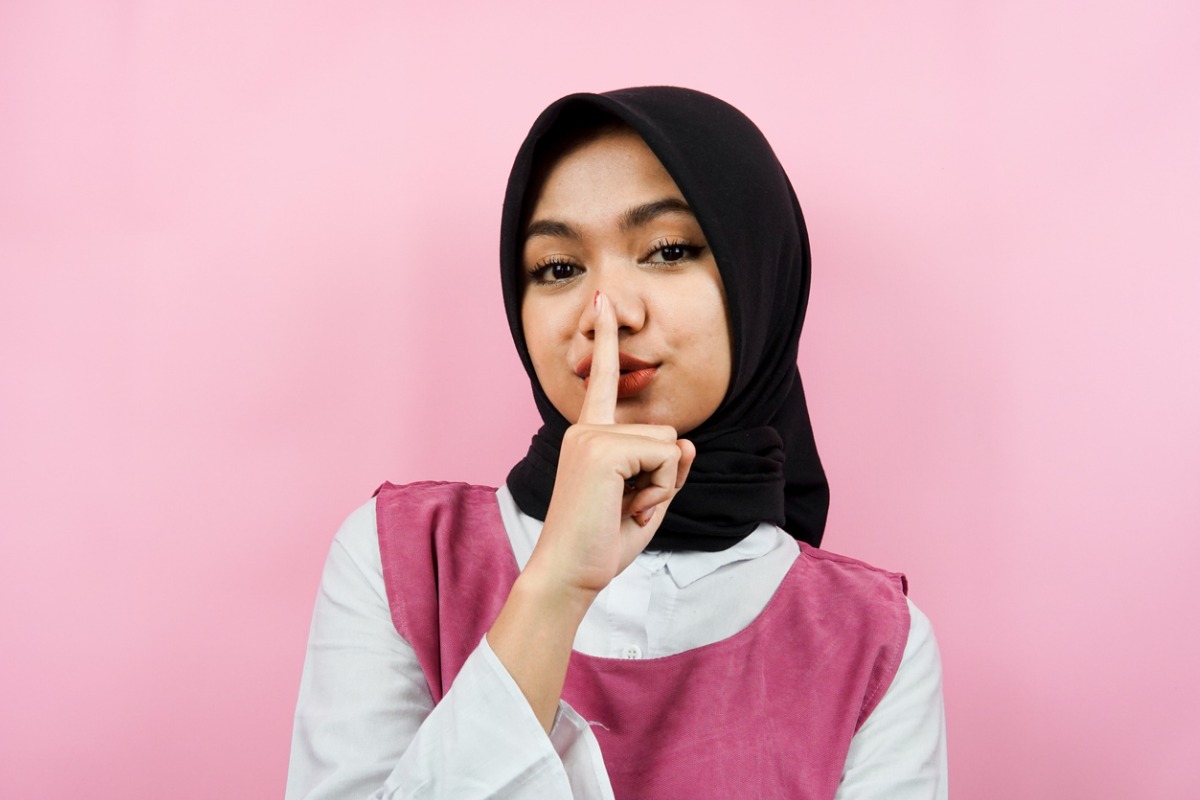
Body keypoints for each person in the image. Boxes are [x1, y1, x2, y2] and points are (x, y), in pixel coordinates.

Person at [286, 87, 947, 799]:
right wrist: (554, 589)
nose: (608, 314)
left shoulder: (873, 641)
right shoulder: (404, 559)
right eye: (559, 269)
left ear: (759, 272)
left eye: (666, 251)